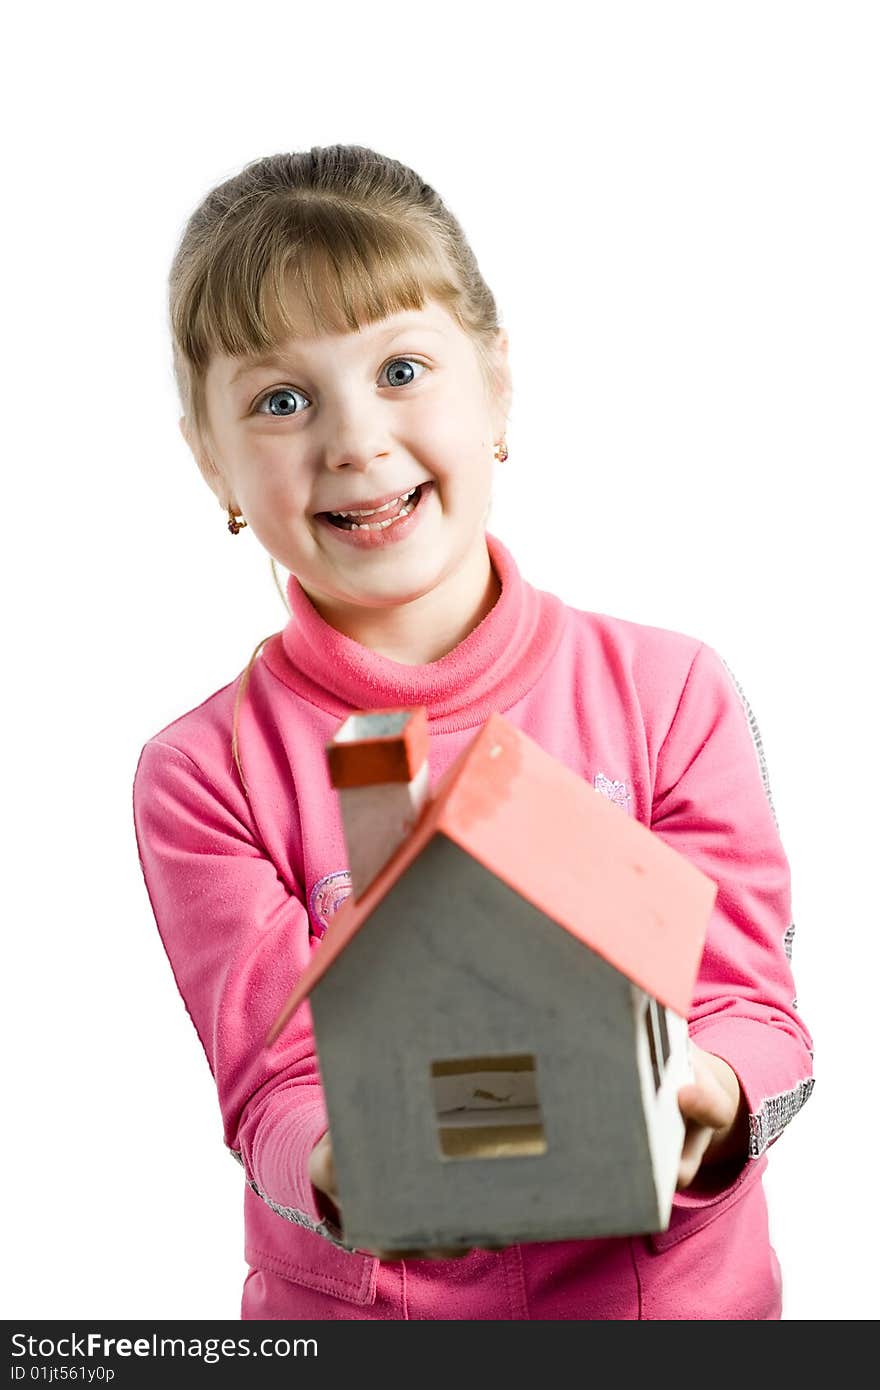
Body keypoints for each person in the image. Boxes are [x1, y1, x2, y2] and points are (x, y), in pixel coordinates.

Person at [132, 144, 814, 1321]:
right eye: (281, 400)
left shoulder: (668, 690)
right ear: (213, 461)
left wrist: (707, 1098)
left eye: (401, 367)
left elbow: (758, 1019)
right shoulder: (205, 772)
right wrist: (351, 1166)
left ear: (497, 387)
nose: (353, 439)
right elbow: (273, 1097)